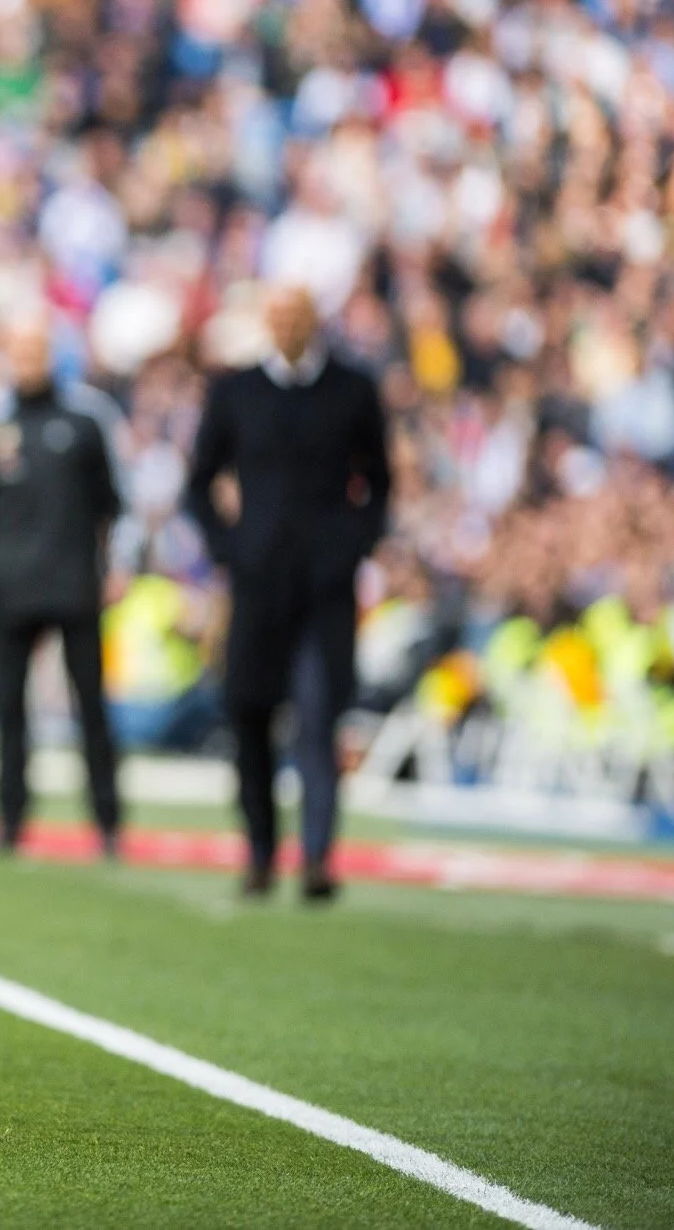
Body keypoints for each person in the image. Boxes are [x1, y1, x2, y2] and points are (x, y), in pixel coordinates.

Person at [182, 286, 391, 902]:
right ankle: (261, 851)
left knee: (320, 716)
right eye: (279, 316)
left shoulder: (352, 391)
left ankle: (319, 858)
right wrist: (230, 547)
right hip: (257, 582)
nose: (289, 326)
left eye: (299, 316)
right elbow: (200, 483)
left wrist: (351, 546)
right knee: (249, 713)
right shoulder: (236, 392)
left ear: (315, 322)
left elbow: (379, 481)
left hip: (325, 587)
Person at [0, 319, 124, 857]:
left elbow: (117, 502)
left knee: (92, 707)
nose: (28, 361)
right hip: (6, 590)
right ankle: (9, 821)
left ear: (54, 355)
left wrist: (117, 566)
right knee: (8, 710)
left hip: (76, 584)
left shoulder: (88, 416)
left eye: (37, 351)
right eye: (19, 351)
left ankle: (108, 822)